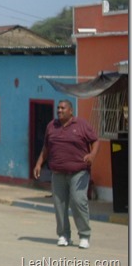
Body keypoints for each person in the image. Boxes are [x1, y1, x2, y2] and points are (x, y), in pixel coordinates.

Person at [33, 99, 99, 249]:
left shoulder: (82, 125)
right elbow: (46, 147)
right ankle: (64, 235)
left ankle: (84, 235)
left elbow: (95, 141)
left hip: (79, 172)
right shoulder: (52, 126)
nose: (59, 110)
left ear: (71, 111)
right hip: (57, 173)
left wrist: (92, 155)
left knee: (78, 201)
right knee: (59, 205)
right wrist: (38, 164)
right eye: (58, 108)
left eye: (63, 108)